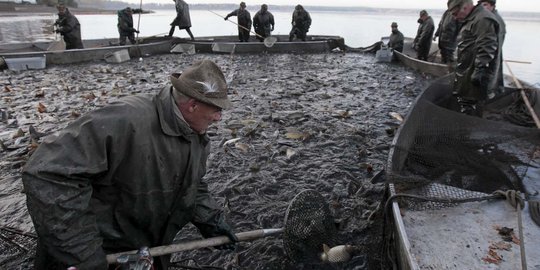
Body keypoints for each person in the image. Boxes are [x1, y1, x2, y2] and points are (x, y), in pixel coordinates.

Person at [22, 59, 238, 269]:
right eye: (216, 109)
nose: (219, 117)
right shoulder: (125, 119)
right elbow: (47, 174)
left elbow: (191, 185)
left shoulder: (196, 136)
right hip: (97, 254)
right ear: (192, 105)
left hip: (141, 252)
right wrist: (84, 254)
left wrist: (211, 221)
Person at [448, 0, 500, 116]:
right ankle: (467, 121)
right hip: (466, 68)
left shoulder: (483, 19)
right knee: (464, 100)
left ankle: (469, 126)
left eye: (456, 14)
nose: (455, 18)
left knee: (470, 101)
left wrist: (479, 69)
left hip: (473, 70)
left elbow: (487, 45)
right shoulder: (472, 18)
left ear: (465, 8)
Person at [479, 0, 506, 97]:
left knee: (490, 81)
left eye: (485, 5)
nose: (483, 7)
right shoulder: (489, 18)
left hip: (491, 57)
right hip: (488, 55)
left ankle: (488, 96)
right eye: (481, 5)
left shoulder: (496, 20)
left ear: (493, 6)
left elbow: (495, 46)